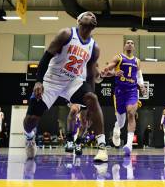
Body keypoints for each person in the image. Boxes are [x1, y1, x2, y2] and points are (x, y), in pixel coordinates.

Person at [23, 11, 107, 162]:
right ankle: (29, 138)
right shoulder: (66, 34)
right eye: (88, 14)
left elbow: (89, 76)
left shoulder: (94, 48)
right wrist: (38, 81)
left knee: (92, 97)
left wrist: (89, 105)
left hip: (72, 82)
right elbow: (46, 56)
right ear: (79, 20)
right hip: (51, 80)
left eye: (94, 16)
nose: (92, 16)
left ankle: (102, 148)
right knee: (31, 120)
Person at [100, 39, 147, 156]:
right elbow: (106, 70)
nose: (130, 44)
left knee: (131, 113)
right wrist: (112, 72)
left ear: (134, 47)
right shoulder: (118, 58)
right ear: (124, 46)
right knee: (121, 122)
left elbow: (139, 75)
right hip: (119, 92)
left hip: (132, 91)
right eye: (128, 43)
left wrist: (141, 85)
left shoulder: (137, 61)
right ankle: (117, 128)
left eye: (132, 43)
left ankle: (129, 144)